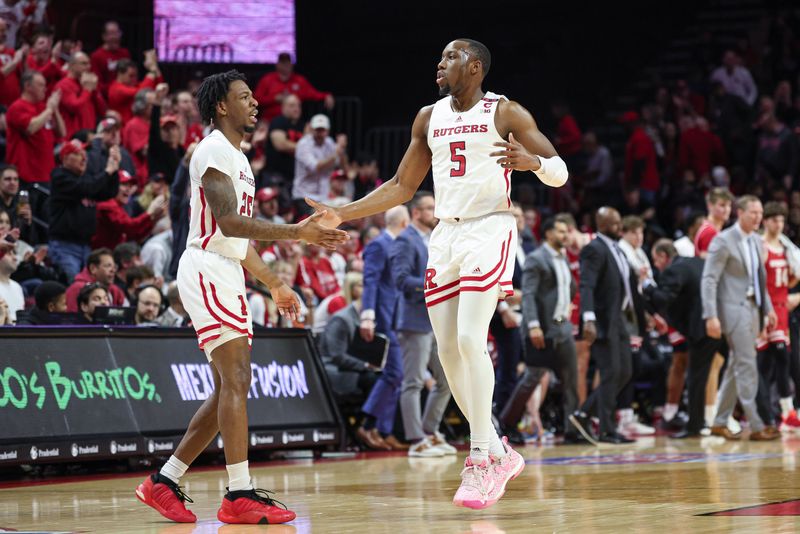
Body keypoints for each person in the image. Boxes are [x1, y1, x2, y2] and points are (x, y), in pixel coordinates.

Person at [306, 39, 567, 509]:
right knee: (447, 352)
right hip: (444, 235)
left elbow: (561, 171)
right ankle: (498, 448)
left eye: (449, 57)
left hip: (490, 227)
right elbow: (402, 186)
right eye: (441, 56)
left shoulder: (505, 112)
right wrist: (342, 214)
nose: (439, 63)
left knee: (470, 340)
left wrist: (535, 165)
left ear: (475, 66)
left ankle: (482, 454)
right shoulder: (428, 116)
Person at [134, 69, 347, 525]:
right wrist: (298, 234)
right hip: (206, 267)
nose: (255, 103)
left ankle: (163, 481)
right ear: (221, 107)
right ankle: (239, 492)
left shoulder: (238, 158)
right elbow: (228, 224)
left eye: (253, 97)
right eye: (245, 97)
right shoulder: (211, 149)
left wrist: (275, 282)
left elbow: (239, 242)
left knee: (232, 385)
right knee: (236, 378)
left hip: (227, 268)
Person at [701, 195, 779, 441]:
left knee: (736, 365)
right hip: (733, 310)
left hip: (753, 308)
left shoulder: (756, 240)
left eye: (760, 213)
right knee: (747, 363)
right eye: (753, 213)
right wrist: (710, 315)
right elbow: (709, 279)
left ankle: (720, 421)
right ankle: (757, 424)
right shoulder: (723, 241)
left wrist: (768, 308)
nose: (758, 217)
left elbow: (760, 279)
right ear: (740, 213)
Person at [391, 191, 454, 457]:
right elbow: (402, 281)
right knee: (414, 382)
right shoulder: (405, 240)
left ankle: (429, 431)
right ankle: (416, 440)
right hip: (413, 321)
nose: (435, 213)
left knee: (447, 380)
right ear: (416, 212)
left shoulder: (434, 238)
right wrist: (435, 283)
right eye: (430, 209)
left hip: (433, 320)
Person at [570, 207, 640, 445]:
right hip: (601, 320)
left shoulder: (617, 250)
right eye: (613, 223)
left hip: (620, 319)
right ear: (601, 224)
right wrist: (588, 317)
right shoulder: (594, 249)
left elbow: (626, 288)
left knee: (624, 372)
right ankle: (606, 429)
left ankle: (583, 413)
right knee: (611, 373)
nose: (619, 227)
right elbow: (586, 285)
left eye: (619, 222)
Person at [514, 217, 580, 442]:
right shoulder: (536, 258)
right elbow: (529, 294)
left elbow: (569, 288)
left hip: (563, 328)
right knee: (532, 378)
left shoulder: (563, 258)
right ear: (548, 233)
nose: (565, 236)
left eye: (567, 231)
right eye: (561, 231)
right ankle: (507, 422)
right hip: (542, 329)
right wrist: (533, 325)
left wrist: (564, 304)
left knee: (572, 379)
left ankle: (572, 428)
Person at [645, 239, 720, 438]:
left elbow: (662, 298)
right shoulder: (697, 262)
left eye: (656, 260)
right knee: (730, 370)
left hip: (701, 328)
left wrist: (647, 286)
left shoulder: (674, 270)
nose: (656, 266)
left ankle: (696, 425)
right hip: (721, 322)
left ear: (663, 256)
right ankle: (718, 418)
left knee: (696, 377)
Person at [756, 202, 800, 431]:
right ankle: (765, 412)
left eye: (782, 220)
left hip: (782, 308)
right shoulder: (760, 246)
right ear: (766, 222)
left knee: (783, 358)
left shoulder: (786, 248)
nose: (779, 224)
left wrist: (793, 294)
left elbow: (793, 277)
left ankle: (786, 412)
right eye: (775, 220)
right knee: (764, 363)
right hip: (765, 308)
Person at [49, 140, 121, 281]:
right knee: (74, 285)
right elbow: (87, 188)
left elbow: (109, 192)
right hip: (65, 246)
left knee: (87, 289)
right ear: (64, 158)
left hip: (86, 246)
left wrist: (114, 169)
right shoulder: (59, 176)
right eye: (77, 154)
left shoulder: (87, 180)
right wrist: (107, 171)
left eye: (84, 154)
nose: (84, 157)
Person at [7, 71, 65, 185]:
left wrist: (55, 109)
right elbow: (30, 128)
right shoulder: (17, 107)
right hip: (26, 175)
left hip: (46, 174)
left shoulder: (43, 107)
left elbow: (62, 132)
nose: (45, 89)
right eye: (41, 85)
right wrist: (49, 109)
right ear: (28, 86)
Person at [91, 169, 165, 250]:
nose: (128, 189)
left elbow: (135, 235)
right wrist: (149, 212)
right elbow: (129, 226)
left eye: (130, 185)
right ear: (113, 185)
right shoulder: (107, 204)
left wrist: (153, 220)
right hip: (100, 256)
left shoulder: (119, 206)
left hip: (111, 255)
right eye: (124, 184)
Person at [292, 114, 347, 217]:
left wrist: (342, 150)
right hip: (304, 197)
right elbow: (316, 167)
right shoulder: (303, 144)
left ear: (327, 131)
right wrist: (336, 153)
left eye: (322, 130)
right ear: (312, 129)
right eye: (317, 129)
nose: (320, 133)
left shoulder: (329, 143)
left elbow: (343, 168)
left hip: (323, 197)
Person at [253, 52, 333, 122]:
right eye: (283, 62)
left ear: (291, 64)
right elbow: (256, 100)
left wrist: (326, 95)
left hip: (294, 122)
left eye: (288, 62)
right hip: (269, 121)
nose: (286, 65)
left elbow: (312, 93)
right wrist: (274, 98)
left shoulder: (299, 80)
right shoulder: (267, 79)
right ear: (277, 64)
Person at [55, 51, 105, 140]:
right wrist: (87, 90)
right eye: (84, 64)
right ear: (72, 65)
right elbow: (75, 107)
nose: (88, 67)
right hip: (72, 138)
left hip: (90, 135)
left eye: (89, 64)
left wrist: (95, 90)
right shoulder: (63, 85)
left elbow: (102, 110)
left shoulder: (86, 83)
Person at [108, 55, 160, 125]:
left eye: (136, 76)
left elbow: (159, 86)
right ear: (120, 73)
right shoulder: (116, 89)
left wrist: (155, 69)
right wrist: (151, 73)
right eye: (131, 76)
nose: (134, 79)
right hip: (126, 127)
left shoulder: (132, 85)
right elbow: (141, 93)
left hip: (139, 124)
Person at [90, 20, 131, 96]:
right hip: (107, 97)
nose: (115, 37)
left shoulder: (125, 53)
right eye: (111, 34)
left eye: (117, 33)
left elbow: (130, 77)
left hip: (126, 95)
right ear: (104, 36)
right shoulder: (97, 56)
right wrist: (116, 89)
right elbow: (97, 84)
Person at [0, 19, 27, 107]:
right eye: (1, 30)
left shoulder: (11, 52)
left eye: (5, 30)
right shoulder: (15, 57)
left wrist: (24, 59)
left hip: (13, 105)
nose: (4, 34)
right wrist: (15, 62)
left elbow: (24, 76)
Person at [0, 247, 23, 321]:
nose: (15, 258)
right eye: (9, 254)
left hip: (18, 331)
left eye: (14, 254)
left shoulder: (17, 287)